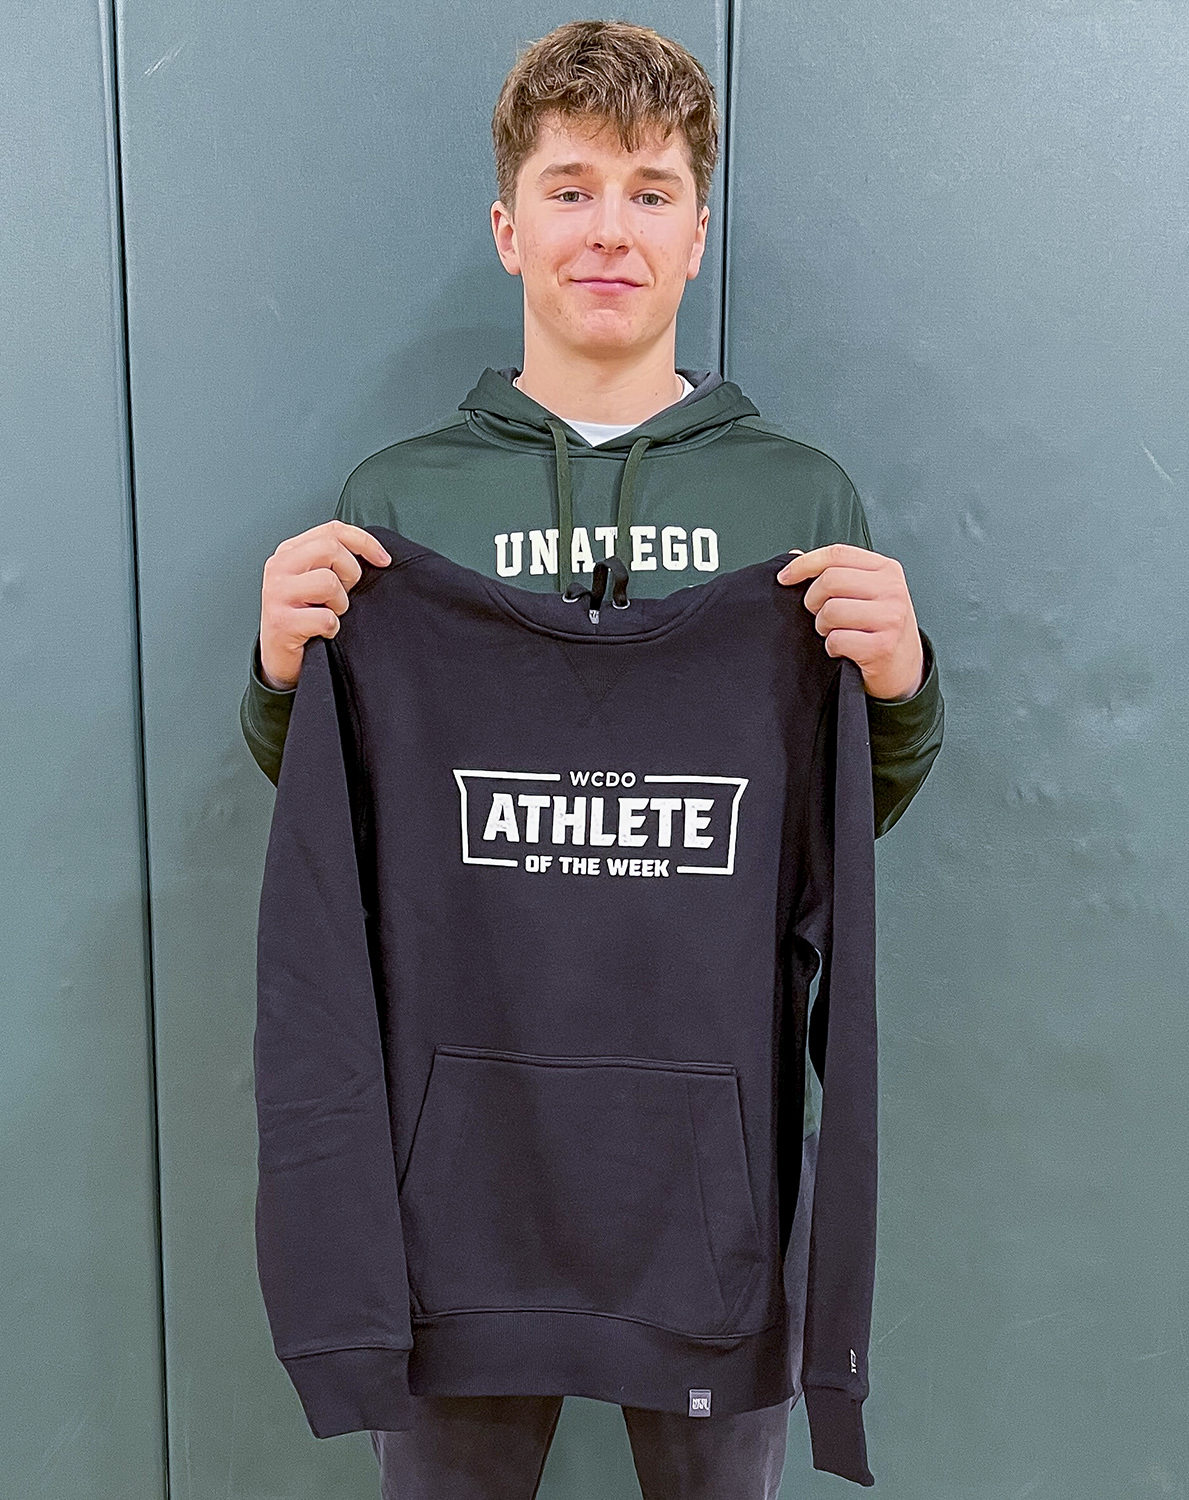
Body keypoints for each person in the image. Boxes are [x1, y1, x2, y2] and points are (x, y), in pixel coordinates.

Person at [241, 21, 940, 1498]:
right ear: (509, 228)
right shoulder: (400, 499)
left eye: (648, 188)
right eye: (569, 189)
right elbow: (347, 822)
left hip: (710, 1188)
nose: (607, 228)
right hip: (458, 1188)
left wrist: (902, 689)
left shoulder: (798, 494)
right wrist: (280, 675)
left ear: (698, 230)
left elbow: (827, 831)